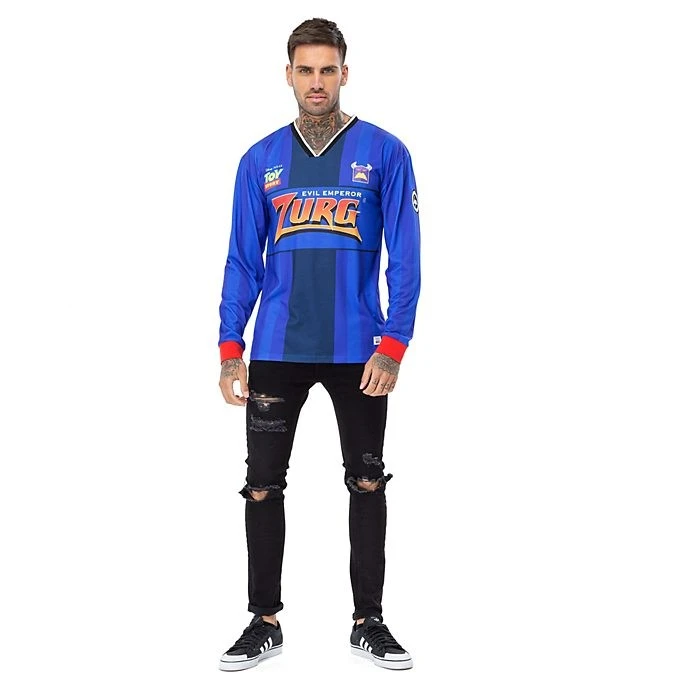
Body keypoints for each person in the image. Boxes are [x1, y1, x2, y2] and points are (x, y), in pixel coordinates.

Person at [216, 17, 421, 672]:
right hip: (276, 349)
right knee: (261, 485)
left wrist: (395, 343)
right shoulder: (260, 161)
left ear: (344, 74)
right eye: (305, 69)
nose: (316, 81)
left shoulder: (385, 152)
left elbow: (406, 257)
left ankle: (369, 621)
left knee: (367, 479)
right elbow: (242, 260)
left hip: (360, 351)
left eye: (327, 70)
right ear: (288, 74)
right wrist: (229, 346)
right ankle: (263, 620)